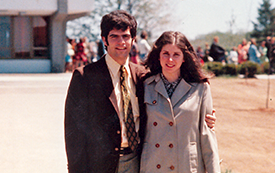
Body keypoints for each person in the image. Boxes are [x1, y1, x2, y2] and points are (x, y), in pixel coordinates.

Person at [64, 10, 217, 173]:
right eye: (114, 36)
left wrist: (205, 117)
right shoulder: (85, 77)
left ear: (133, 40)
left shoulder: (143, 76)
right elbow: (74, 133)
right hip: (99, 165)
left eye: (125, 36)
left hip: (137, 162)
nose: (120, 42)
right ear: (104, 40)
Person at [141, 31, 220, 173]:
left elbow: (207, 136)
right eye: (165, 53)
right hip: (154, 165)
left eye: (176, 54)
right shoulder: (145, 86)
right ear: (158, 55)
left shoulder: (201, 88)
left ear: (184, 58)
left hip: (186, 166)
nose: (170, 60)